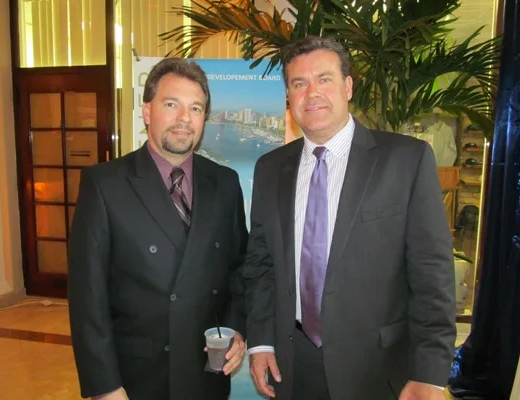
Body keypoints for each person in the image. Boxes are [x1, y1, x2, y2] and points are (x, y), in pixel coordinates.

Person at [244, 36, 456, 400]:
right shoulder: (270, 168)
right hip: (294, 363)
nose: (312, 93)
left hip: (378, 368)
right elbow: (261, 264)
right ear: (289, 96)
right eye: (299, 83)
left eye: (324, 79)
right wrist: (261, 342)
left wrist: (430, 373)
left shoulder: (406, 160)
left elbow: (432, 274)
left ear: (348, 86)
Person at [68, 58, 248, 400]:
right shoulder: (105, 184)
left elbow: (239, 268)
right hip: (135, 376)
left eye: (195, 108)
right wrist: (104, 385)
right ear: (147, 111)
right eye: (171, 104)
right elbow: (87, 295)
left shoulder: (225, 182)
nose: (184, 118)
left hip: (206, 373)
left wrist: (235, 329)